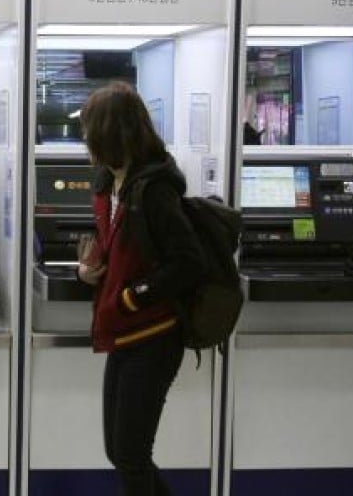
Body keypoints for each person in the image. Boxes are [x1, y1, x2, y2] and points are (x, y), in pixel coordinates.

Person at [75, 81, 206, 496]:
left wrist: (132, 296)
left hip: (153, 335)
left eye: (88, 129)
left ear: (109, 132)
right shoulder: (108, 182)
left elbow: (188, 262)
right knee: (120, 451)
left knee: (131, 454)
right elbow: (119, 246)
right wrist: (88, 270)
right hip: (122, 331)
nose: (84, 138)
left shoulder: (154, 189)